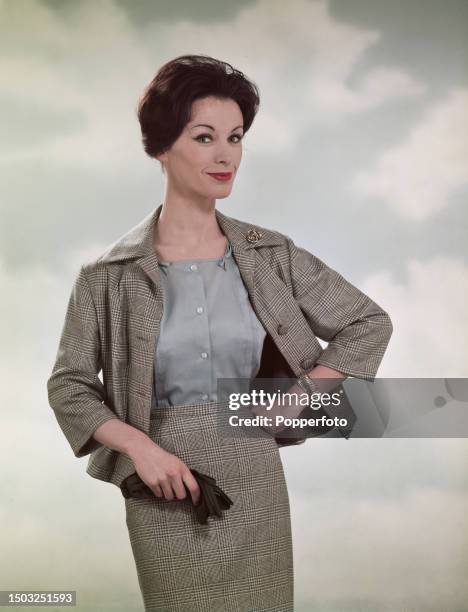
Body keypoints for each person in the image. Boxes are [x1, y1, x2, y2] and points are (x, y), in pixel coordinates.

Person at [47, 54, 393, 612]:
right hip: (163, 485)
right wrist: (141, 450)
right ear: (161, 146)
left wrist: (305, 395)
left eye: (235, 137)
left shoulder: (271, 255)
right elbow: (69, 385)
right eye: (204, 136)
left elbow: (368, 322)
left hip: (255, 472)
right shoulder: (106, 278)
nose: (226, 153)